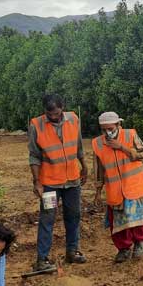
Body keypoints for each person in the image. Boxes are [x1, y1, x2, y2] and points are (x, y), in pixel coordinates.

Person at [28, 94, 88, 272]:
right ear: (44, 110)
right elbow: (34, 156)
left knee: (74, 215)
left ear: (63, 107)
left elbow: (78, 146)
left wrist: (84, 167)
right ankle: (42, 259)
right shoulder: (36, 125)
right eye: (49, 113)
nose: (53, 117)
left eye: (56, 113)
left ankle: (72, 251)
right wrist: (37, 182)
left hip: (72, 182)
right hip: (49, 184)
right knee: (48, 218)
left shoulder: (73, 119)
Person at [92, 112, 143, 262]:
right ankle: (123, 249)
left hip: (134, 186)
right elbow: (99, 169)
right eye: (103, 129)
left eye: (110, 128)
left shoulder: (130, 135)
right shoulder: (98, 143)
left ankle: (140, 244)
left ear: (118, 125)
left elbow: (142, 154)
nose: (107, 132)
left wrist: (122, 147)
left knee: (137, 219)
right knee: (117, 222)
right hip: (114, 190)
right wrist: (98, 192)